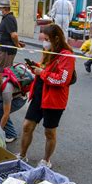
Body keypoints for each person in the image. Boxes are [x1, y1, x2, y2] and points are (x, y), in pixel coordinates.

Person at [18, 24, 75, 168]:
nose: (44, 42)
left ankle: (46, 160)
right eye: (44, 39)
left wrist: (41, 73)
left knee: (49, 132)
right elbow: (45, 68)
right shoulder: (49, 51)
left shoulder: (66, 55)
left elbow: (62, 79)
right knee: (27, 126)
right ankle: (22, 155)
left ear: (56, 39)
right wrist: (36, 66)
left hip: (54, 100)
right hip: (39, 94)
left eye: (47, 39)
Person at [0, 0, 25, 73]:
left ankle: (2, 84)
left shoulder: (9, 18)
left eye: (0, 8)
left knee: (2, 71)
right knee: (1, 70)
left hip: (5, 51)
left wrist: (17, 44)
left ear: (6, 8)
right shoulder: (6, 18)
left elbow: (14, 35)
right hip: (2, 50)